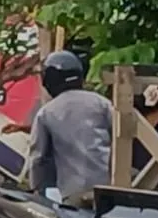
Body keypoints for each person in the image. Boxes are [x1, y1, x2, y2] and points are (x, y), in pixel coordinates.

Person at [28, 51, 112, 205]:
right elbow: (122, 138)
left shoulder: (47, 112)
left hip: (73, 192)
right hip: (109, 189)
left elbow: (38, 158)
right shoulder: (102, 103)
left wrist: (36, 189)